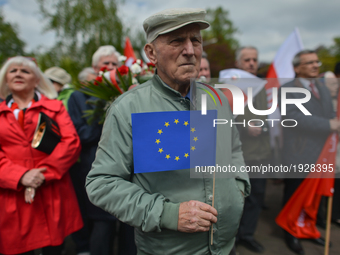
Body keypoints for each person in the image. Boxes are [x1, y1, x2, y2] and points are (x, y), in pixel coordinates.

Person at [86, 8, 250, 255]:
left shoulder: (216, 98)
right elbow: (102, 183)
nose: (190, 50)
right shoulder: (129, 108)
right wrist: (168, 214)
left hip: (225, 246)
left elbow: (233, 150)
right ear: (151, 53)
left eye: (195, 40)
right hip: (169, 249)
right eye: (176, 41)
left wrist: (238, 189)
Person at [0, 56, 82, 255]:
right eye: (13, 70)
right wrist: (19, 176)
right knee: (17, 248)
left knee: (54, 247)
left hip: (51, 189)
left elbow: (71, 142)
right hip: (12, 193)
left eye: (25, 71)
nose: (18, 73)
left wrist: (44, 174)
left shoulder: (55, 107)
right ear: (5, 79)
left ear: (37, 80)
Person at [279, 50, 340, 255]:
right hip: (299, 153)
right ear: (297, 68)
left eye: (317, 61)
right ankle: (290, 233)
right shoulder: (287, 89)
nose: (316, 65)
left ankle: (308, 228)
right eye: (310, 62)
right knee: (294, 195)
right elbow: (295, 118)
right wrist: (329, 124)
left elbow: (329, 113)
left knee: (313, 197)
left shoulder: (321, 88)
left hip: (322, 153)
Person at [232, 46, 271, 253]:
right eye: (247, 60)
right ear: (238, 63)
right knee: (238, 197)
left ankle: (247, 235)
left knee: (257, 195)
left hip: (262, 152)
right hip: (241, 152)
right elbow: (224, 117)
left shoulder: (263, 86)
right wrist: (244, 128)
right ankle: (233, 236)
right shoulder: (232, 85)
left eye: (254, 59)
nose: (252, 63)